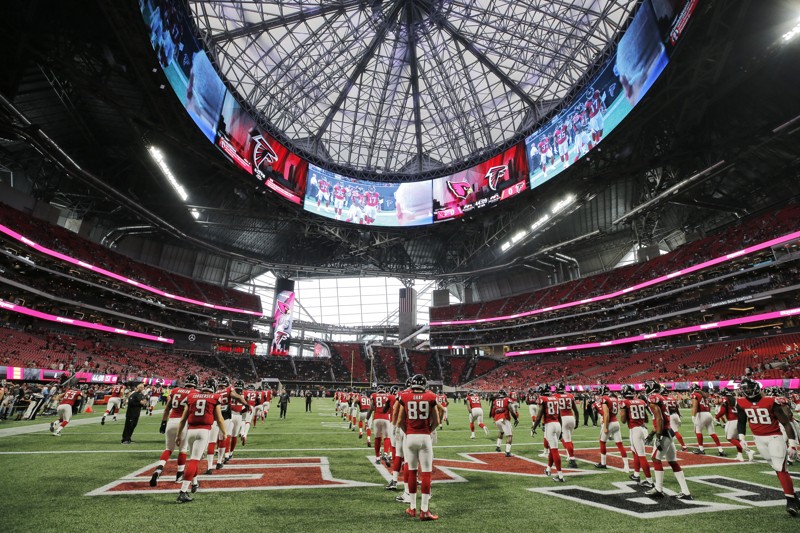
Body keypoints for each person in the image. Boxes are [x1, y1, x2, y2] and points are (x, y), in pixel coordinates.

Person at [737, 378, 800, 516]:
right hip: (758, 440)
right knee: (777, 468)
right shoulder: (741, 402)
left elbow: (786, 423)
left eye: (749, 388)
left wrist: (793, 444)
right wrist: (741, 438)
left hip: (774, 438)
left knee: (781, 468)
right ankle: (794, 496)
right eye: (745, 389)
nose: (748, 391)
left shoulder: (771, 401)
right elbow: (741, 421)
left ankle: (790, 501)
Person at [175, 378, 228, 503]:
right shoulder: (215, 397)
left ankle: (194, 483)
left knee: (194, 458)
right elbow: (219, 419)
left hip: (190, 431)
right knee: (194, 460)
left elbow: (183, 419)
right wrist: (224, 433)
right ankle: (183, 491)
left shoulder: (192, 396)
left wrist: (178, 435)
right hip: (203, 431)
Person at [396, 374, 440, 521]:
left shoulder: (405, 396)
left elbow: (400, 420)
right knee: (426, 473)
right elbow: (437, 421)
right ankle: (425, 510)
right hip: (424, 437)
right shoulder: (431, 396)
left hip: (410, 437)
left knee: (412, 471)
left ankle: (412, 507)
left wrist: (408, 431)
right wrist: (428, 430)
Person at [643, 380, 693, 500]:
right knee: (672, 461)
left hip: (665, 432)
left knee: (656, 458)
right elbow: (661, 419)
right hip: (669, 431)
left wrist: (658, 436)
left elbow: (660, 419)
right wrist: (652, 433)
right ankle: (685, 492)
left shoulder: (653, 398)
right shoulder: (661, 397)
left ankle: (658, 489)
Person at [151, 374, 198, 486]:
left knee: (168, 449)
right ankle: (179, 475)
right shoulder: (195, 393)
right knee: (182, 449)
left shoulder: (176, 390)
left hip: (171, 422)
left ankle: (159, 469)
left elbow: (167, 408)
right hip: (183, 423)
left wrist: (163, 422)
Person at [619, 384, 653, 488]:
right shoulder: (641, 401)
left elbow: (623, 420)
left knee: (641, 455)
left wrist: (623, 412)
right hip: (643, 428)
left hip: (635, 430)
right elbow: (646, 419)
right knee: (635, 452)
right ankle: (636, 474)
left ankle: (649, 481)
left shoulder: (625, 402)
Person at [531, 385, 565, 482]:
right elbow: (559, 415)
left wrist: (533, 427)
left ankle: (560, 475)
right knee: (552, 449)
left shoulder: (542, 399)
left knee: (554, 450)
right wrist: (561, 429)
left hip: (550, 425)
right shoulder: (555, 398)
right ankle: (548, 469)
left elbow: (539, 415)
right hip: (557, 424)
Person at [596, 386, 630, 472]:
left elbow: (606, 414)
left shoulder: (604, 398)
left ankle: (603, 463)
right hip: (616, 423)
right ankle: (626, 465)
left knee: (602, 442)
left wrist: (606, 427)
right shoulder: (614, 398)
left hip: (610, 422)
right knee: (620, 444)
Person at [716, 388, 754, 462]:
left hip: (732, 420)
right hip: (739, 420)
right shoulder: (735, 399)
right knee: (737, 439)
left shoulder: (725, 398)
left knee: (729, 438)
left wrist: (716, 417)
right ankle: (740, 455)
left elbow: (723, 411)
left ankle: (748, 451)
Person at [690, 384, 724, 456]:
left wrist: (693, 416)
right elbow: (709, 406)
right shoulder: (704, 395)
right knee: (712, 432)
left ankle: (701, 449)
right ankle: (720, 449)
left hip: (701, 414)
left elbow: (695, 406)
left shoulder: (695, 394)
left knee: (698, 431)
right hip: (708, 414)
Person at [554, 382, 580, 467]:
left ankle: (572, 460)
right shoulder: (570, 396)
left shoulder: (555, 396)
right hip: (571, 418)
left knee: (567, 440)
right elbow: (576, 410)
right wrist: (577, 421)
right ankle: (569, 455)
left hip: (563, 418)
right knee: (567, 438)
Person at [368, 386, 394, 466]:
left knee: (377, 438)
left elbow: (371, 407)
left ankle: (377, 458)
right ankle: (386, 453)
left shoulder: (374, 395)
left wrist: (367, 418)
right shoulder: (389, 396)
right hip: (386, 417)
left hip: (376, 417)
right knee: (387, 437)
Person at [490, 389, 519, 457]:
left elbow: (492, 411)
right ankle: (508, 452)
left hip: (497, 419)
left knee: (501, 431)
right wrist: (516, 418)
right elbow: (511, 410)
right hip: (504, 419)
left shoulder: (495, 401)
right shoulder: (507, 400)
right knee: (509, 436)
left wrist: (495, 418)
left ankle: (498, 446)